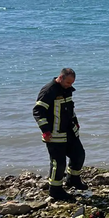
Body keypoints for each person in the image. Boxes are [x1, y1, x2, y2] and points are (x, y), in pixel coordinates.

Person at [33, 68, 88, 201]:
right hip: (54, 134)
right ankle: (55, 190)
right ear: (61, 77)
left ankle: (73, 180)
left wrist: (76, 122)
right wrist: (45, 131)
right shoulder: (48, 90)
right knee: (59, 163)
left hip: (70, 131)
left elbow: (70, 109)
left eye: (72, 83)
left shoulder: (67, 90)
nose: (70, 85)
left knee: (79, 155)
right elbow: (38, 111)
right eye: (68, 82)